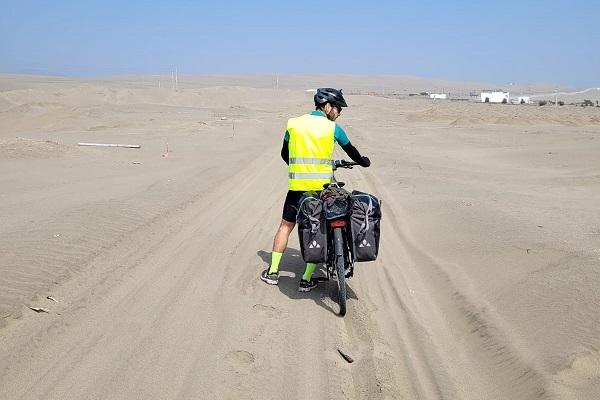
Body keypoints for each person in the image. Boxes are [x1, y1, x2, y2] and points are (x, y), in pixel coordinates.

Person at [260, 88, 371, 292]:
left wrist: (300, 168)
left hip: (297, 188)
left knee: (286, 226)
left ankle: (273, 272)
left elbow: (285, 154)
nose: (338, 113)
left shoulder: (293, 124)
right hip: (322, 190)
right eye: (338, 109)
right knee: (318, 229)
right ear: (327, 106)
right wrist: (362, 162)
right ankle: (306, 279)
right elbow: (351, 150)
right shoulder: (333, 128)